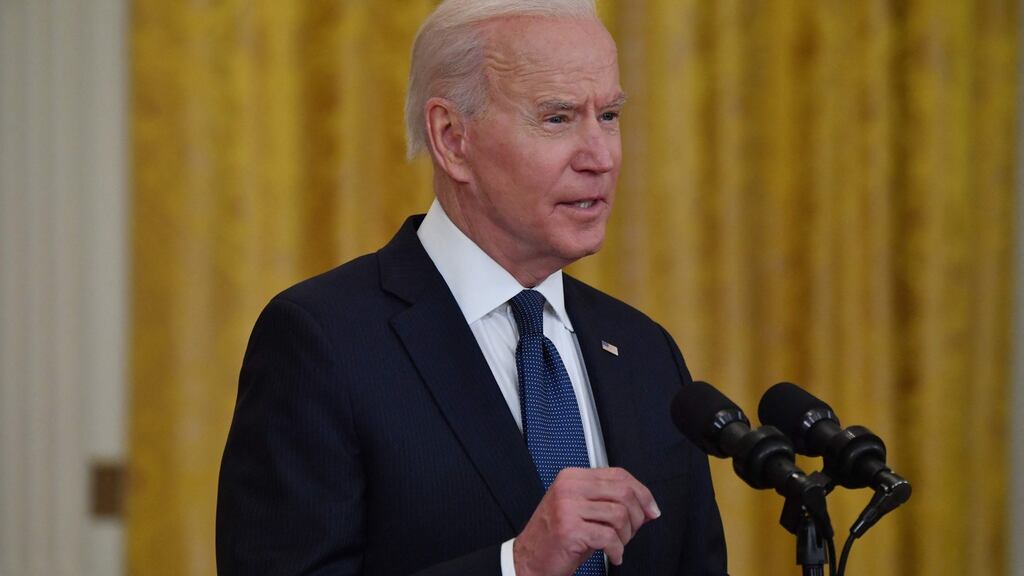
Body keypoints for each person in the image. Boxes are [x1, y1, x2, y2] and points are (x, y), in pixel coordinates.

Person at [216, 1, 727, 574]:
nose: (601, 156)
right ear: (452, 137)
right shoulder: (323, 342)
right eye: (558, 118)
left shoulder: (644, 350)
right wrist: (518, 566)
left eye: (608, 116)